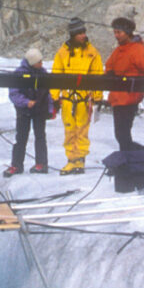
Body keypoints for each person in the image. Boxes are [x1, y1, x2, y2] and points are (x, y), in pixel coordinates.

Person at [51, 17, 104, 175]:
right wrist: (54, 97)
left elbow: (97, 75)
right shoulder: (63, 52)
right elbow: (56, 75)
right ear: (73, 34)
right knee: (69, 131)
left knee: (82, 131)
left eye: (83, 32)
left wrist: (98, 97)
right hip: (67, 99)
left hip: (83, 100)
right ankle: (71, 160)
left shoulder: (92, 52)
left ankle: (80, 161)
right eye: (79, 33)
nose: (83, 35)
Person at [104, 17, 144, 150]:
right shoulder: (119, 50)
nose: (116, 35)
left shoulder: (137, 50)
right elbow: (109, 66)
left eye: (119, 32)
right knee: (121, 135)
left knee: (122, 135)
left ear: (127, 32)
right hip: (118, 98)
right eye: (115, 32)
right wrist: (109, 74)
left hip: (129, 99)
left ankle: (138, 158)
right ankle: (130, 160)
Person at [4, 48, 54, 177]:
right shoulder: (19, 74)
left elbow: (48, 93)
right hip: (24, 110)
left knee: (40, 137)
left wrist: (50, 109)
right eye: (39, 61)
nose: (41, 64)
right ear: (32, 62)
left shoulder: (42, 73)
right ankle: (16, 165)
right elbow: (14, 93)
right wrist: (26, 102)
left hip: (39, 110)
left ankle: (41, 164)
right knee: (21, 137)